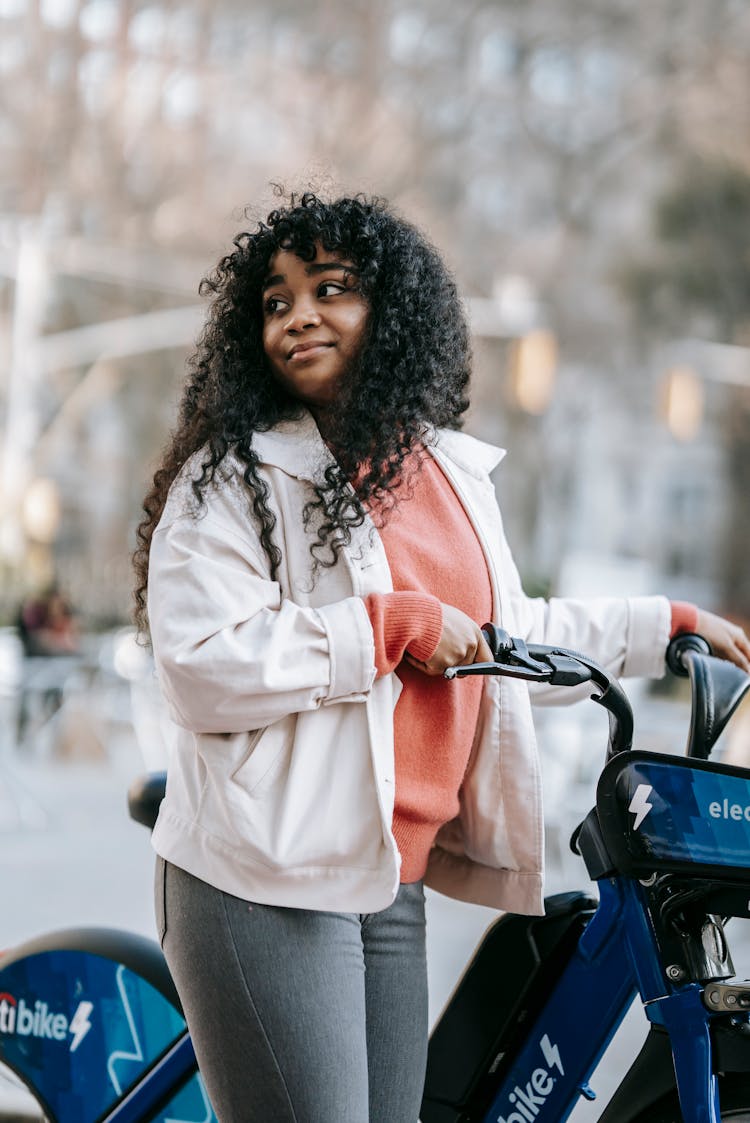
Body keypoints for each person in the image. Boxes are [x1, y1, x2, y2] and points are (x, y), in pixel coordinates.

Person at [133, 192, 750, 1123]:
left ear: (395, 311)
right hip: (263, 873)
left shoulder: (445, 474)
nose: (298, 315)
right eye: (275, 300)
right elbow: (201, 665)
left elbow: (503, 630)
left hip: (388, 875)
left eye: (331, 289)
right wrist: (384, 626)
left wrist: (661, 625)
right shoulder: (234, 478)